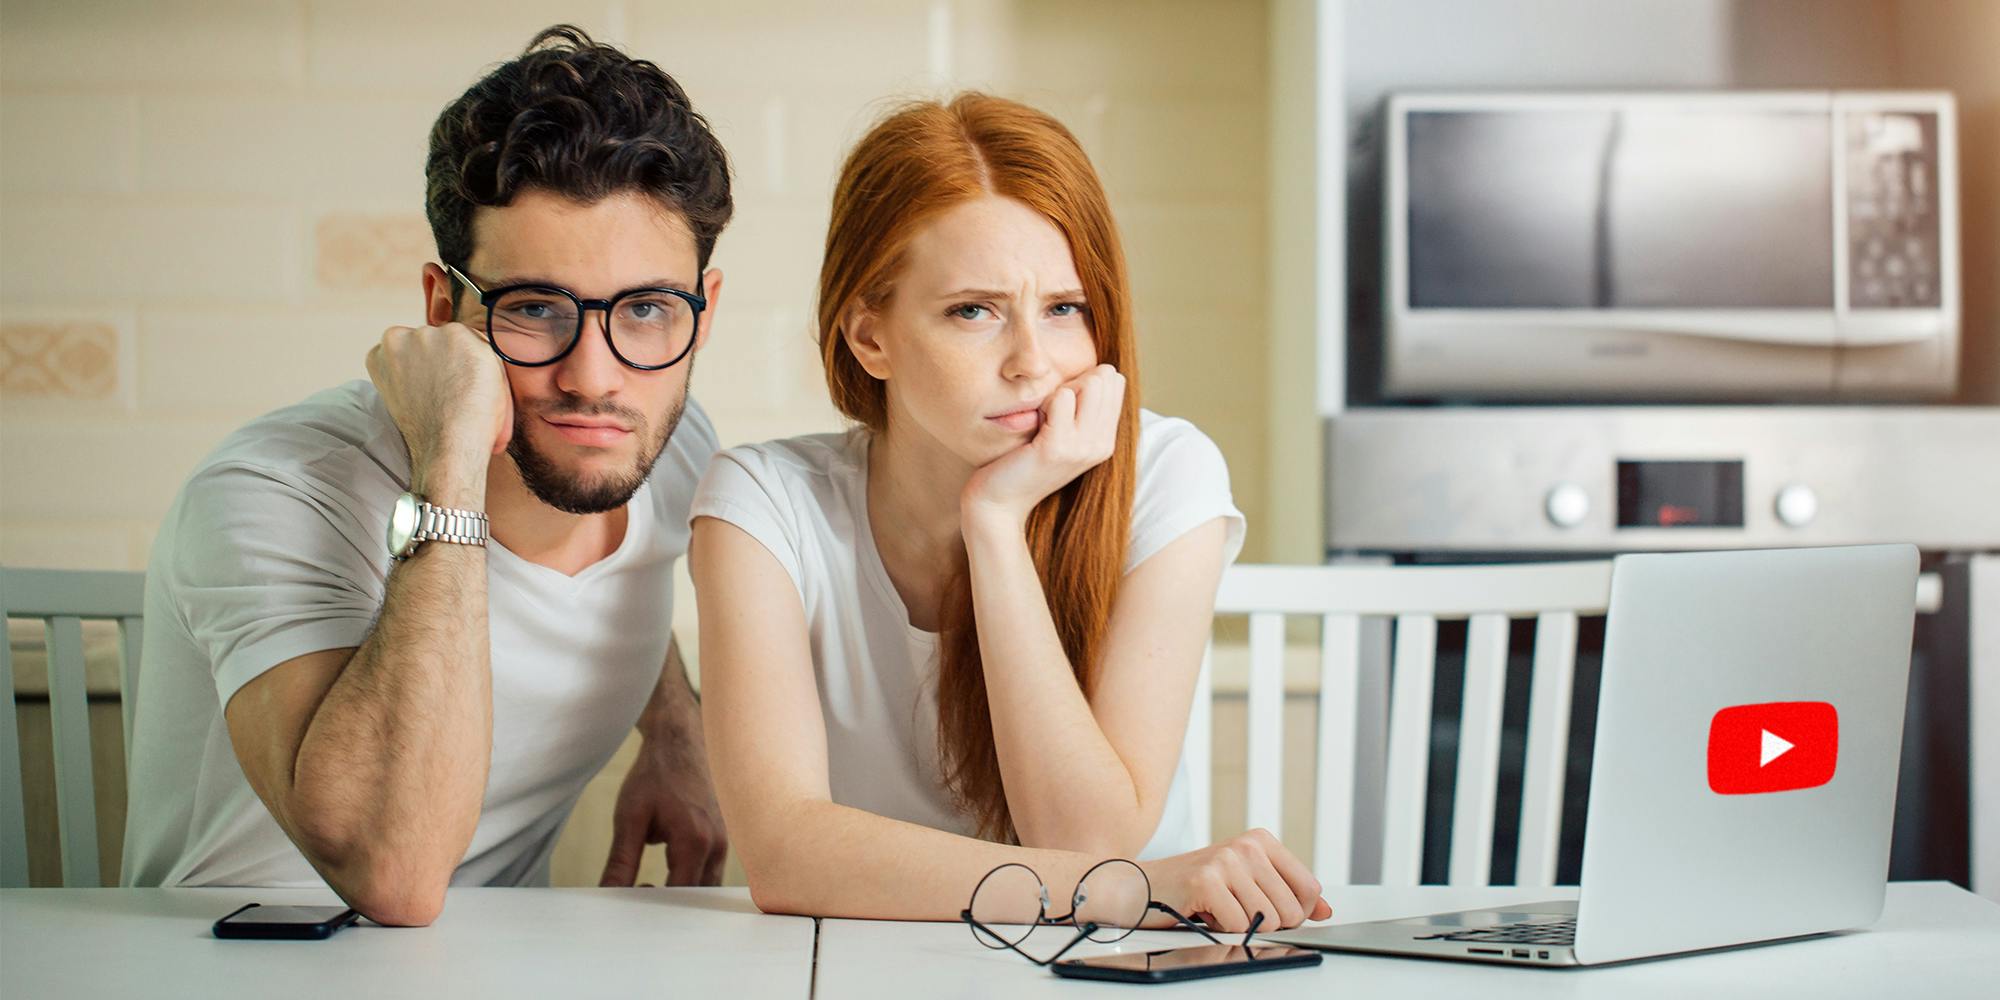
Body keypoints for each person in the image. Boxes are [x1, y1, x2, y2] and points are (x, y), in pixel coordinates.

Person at [122, 26, 731, 925]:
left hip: (495, 962)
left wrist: (676, 734)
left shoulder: (666, 445)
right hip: (238, 961)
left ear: (702, 314)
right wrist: (448, 459)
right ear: (446, 309)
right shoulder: (271, 493)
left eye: (646, 310)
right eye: (534, 309)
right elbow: (389, 874)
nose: (596, 376)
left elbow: (607, 582)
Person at [690, 93, 1330, 932]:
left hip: (1107, 975)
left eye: (1065, 309)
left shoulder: (1169, 475)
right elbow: (785, 854)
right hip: (863, 967)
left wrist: (994, 523)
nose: (1034, 363)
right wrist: (1146, 890)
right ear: (868, 336)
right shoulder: (763, 506)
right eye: (973, 311)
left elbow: (1085, 834)